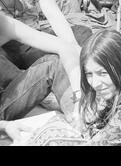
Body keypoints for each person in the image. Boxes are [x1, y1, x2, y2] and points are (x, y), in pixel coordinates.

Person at [0, 13, 81, 143]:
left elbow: (62, 46)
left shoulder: (3, 24)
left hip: (5, 99)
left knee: (53, 63)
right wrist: (5, 126)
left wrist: (78, 96)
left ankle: (80, 124)